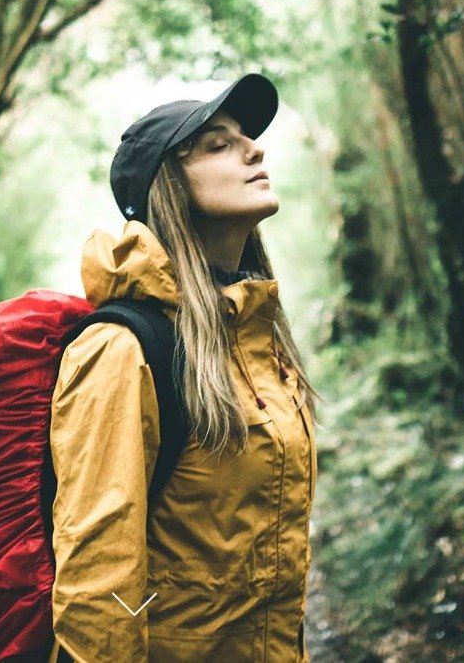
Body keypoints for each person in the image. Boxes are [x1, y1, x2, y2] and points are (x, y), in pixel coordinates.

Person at [47, 74, 318, 662]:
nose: (255, 148)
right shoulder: (123, 350)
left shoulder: (254, 337)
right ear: (167, 187)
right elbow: (99, 582)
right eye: (219, 144)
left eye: (246, 136)